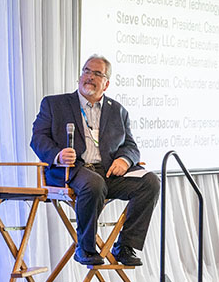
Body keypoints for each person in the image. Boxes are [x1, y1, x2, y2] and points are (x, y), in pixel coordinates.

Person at [31, 54, 160, 266]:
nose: (89, 77)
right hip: (71, 171)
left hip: (107, 172)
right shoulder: (55, 104)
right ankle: (86, 247)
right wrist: (58, 155)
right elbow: (38, 138)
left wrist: (125, 160)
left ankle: (125, 246)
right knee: (93, 183)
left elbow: (131, 146)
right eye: (86, 71)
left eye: (97, 74)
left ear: (106, 83)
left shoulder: (118, 111)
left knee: (151, 182)